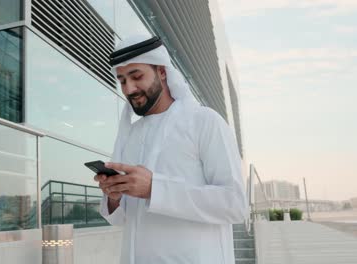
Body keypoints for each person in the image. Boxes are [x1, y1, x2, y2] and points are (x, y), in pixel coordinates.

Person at [94, 35, 248, 264]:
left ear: (162, 71)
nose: (129, 88)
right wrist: (114, 197)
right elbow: (122, 219)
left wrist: (155, 188)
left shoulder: (204, 121)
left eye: (137, 76)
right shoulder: (131, 135)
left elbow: (235, 205)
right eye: (122, 80)